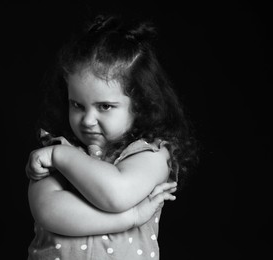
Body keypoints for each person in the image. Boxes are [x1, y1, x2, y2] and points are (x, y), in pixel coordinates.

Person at [25, 14, 197, 260]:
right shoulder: (56, 147)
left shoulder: (151, 153)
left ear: (139, 104)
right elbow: (49, 211)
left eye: (104, 106)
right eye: (77, 105)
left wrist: (60, 157)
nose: (87, 120)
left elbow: (115, 194)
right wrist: (131, 218)